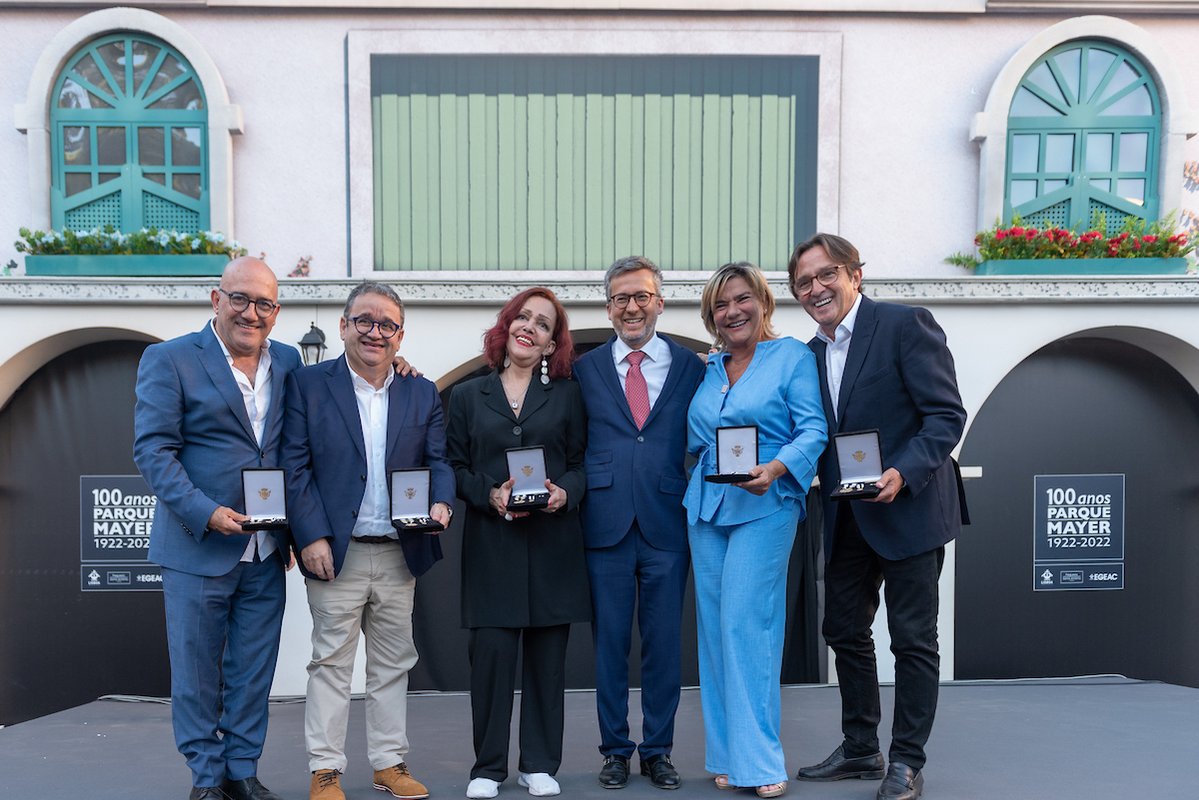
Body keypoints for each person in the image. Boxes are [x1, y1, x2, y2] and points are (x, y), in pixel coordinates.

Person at [788, 233, 966, 800]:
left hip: (910, 508)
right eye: (803, 283)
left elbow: (944, 416)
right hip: (848, 515)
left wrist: (904, 473)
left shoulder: (904, 324)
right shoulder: (807, 355)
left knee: (913, 639)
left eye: (825, 275)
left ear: (854, 274)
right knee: (842, 628)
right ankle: (862, 746)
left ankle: (907, 759)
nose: (816, 289)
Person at [134, 256, 300, 800]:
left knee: (253, 670)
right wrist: (204, 511)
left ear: (276, 312)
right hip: (198, 544)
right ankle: (205, 779)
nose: (252, 313)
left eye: (265, 303)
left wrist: (400, 367)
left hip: (267, 545)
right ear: (216, 298)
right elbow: (154, 451)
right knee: (198, 674)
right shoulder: (170, 358)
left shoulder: (293, 362)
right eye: (241, 299)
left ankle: (241, 771)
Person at [281, 282, 454, 800]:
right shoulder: (307, 385)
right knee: (331, 663)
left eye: (387, 325)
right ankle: (325, 770)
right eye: (365, 321)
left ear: (400, 335)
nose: (375, 332)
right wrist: (308, 534)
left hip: (400, 550)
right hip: (338, 551)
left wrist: (441, 501)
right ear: (344, 325)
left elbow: (438, 460)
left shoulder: (420, 390)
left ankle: (389, 763)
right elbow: (294, 465)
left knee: (392, 664)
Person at [683, 262, 827, 800]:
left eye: (742, 299)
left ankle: (760, 760)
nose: (732, 311)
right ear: (711, 316)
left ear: (762, 302)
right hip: (706, 504)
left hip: (767, 501)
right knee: (715, 630)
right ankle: (725, 754)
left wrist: (777, 469)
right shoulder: (709, 368)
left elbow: (813, 427)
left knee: (748, 624)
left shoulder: (790, 356)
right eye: (721, 305)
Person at [446, 288, 590, 800]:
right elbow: (454, 469)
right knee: (490, 661)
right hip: (493, 545)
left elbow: (580, 464)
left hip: (553, 546)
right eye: (523, 317)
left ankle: (539, 764)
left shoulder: (569, 396)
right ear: (507, 327)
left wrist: (564, 493)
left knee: (548, 665)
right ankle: (487, 768)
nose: (530, 327)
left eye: (543, 324)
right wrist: (488, 494)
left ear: (553, 344)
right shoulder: (466, 396)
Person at [573, 256, 705, 791]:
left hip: (667, 522)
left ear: (659, 302)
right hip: (603, 524)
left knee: (663, 644)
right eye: (621, 298)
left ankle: (657, 750)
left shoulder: (694, 367)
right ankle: (613, 750)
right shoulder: (582, 369)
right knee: (608, 645)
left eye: (642, 296)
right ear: (608, 307)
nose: (632, 306)